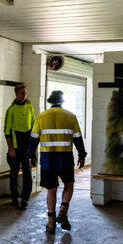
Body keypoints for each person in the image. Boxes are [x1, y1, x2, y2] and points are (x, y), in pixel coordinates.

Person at [28, 90, 86, 234]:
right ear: (62, 101)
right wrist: (82, 155)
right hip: (65, 158)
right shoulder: (71, 116)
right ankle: (63, 213)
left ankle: (51, 222)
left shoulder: (42, 117)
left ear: (50, 101)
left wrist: (31, 155)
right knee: (69, 184)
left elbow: (33, 139)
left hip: (48, 159)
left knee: (51, 189)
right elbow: (78, 138)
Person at [3, 83, 34, 209]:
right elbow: (7, 131)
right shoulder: (11, 110)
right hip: (15, 148)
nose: (24, 95)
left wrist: (32, 149)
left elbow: (33, 128)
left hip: (27, 148)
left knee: (27, 174)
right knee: (14, 173)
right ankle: (14, 198)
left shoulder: (30, 108)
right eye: (22, 93)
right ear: (16, 94)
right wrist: (10, 148)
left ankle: (25, 198)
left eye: (25, 93)